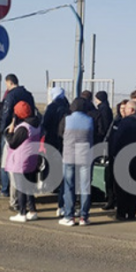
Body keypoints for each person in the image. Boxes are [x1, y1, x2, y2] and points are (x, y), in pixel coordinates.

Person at [110, 100, 136, 221]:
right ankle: (132, 212)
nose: (124, 111)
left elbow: (117, 139)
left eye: (126, 109)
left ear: (132, 110)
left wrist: (113, 153)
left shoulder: (125, 122)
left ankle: (121, 213)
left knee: (122, 187)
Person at [0, 74, 36, 200]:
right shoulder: (28, 94)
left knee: (6, 161)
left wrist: (3, 130)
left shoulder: (11, 95)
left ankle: (5, 190)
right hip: (26, 129)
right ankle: (24, 192)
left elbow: (6, 113)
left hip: (13, 129)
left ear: (9, 83)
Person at [58, 98, 95, 226]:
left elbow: (60, 133)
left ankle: (69, 216)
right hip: (85, 155)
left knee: (69, 186)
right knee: (85, 187)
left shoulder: (66, 119)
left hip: (69, 155)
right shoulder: (90, 120)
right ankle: (84, 217)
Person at [5, 101, 41, 222]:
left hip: (21, 161)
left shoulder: (23, 128)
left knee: (21, 187)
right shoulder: (36, 125)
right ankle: (32, 210)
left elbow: (13, 143)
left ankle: (22, 213)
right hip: (31, 159)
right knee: (29, 186)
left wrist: (10, 131)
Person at [41, 86, 70, 208]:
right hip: (63, 139)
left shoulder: (52, 107)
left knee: (51, 161)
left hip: (52, 138)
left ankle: (51, 184)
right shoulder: (67, 106)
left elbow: (45, 122)